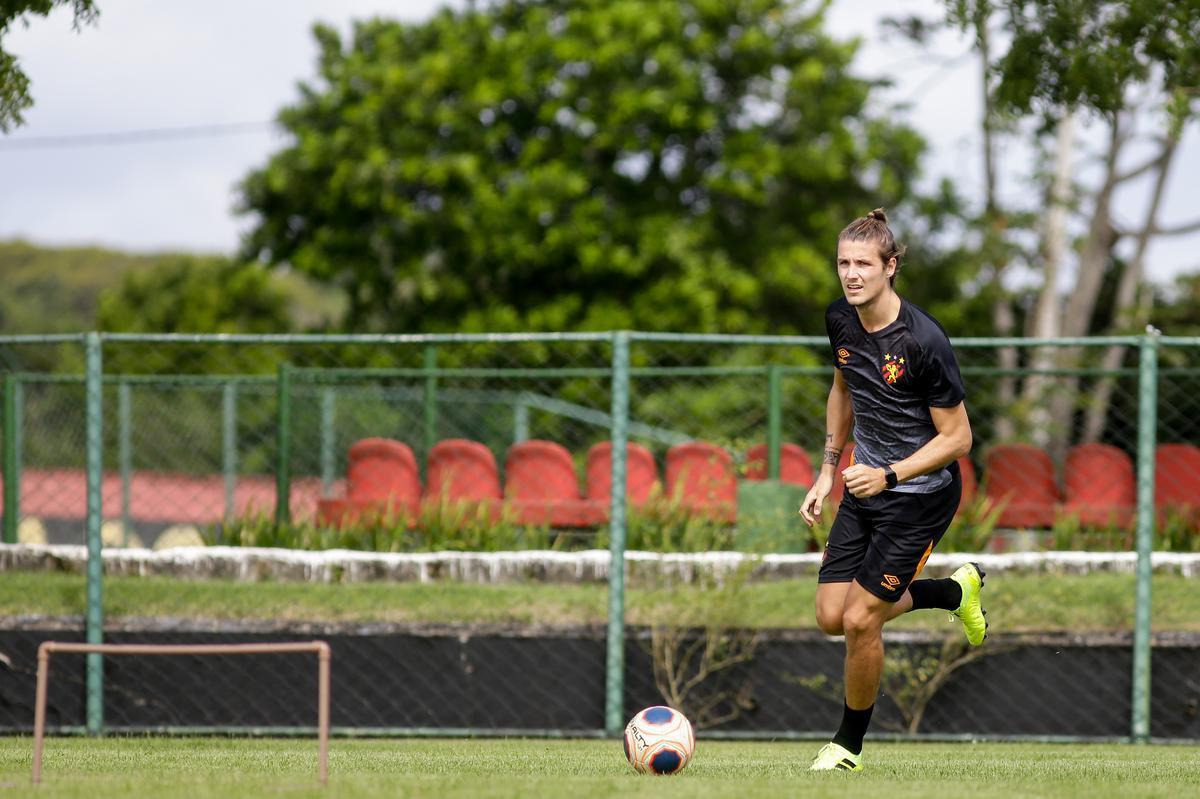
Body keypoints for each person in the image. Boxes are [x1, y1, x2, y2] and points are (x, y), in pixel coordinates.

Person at [799, 208, 986, 772]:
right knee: (832, 616)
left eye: (863, 264)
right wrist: (828, 469)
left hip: (920, 497)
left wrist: (889, 474)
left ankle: (847, 746)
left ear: (891, 267)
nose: (851, 274)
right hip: (863, 487)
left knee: (861, 621)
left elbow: (959, 439)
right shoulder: (840, 319)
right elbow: (842, 387)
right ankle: (954, 594)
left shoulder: (924, 341)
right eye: (843, 263)